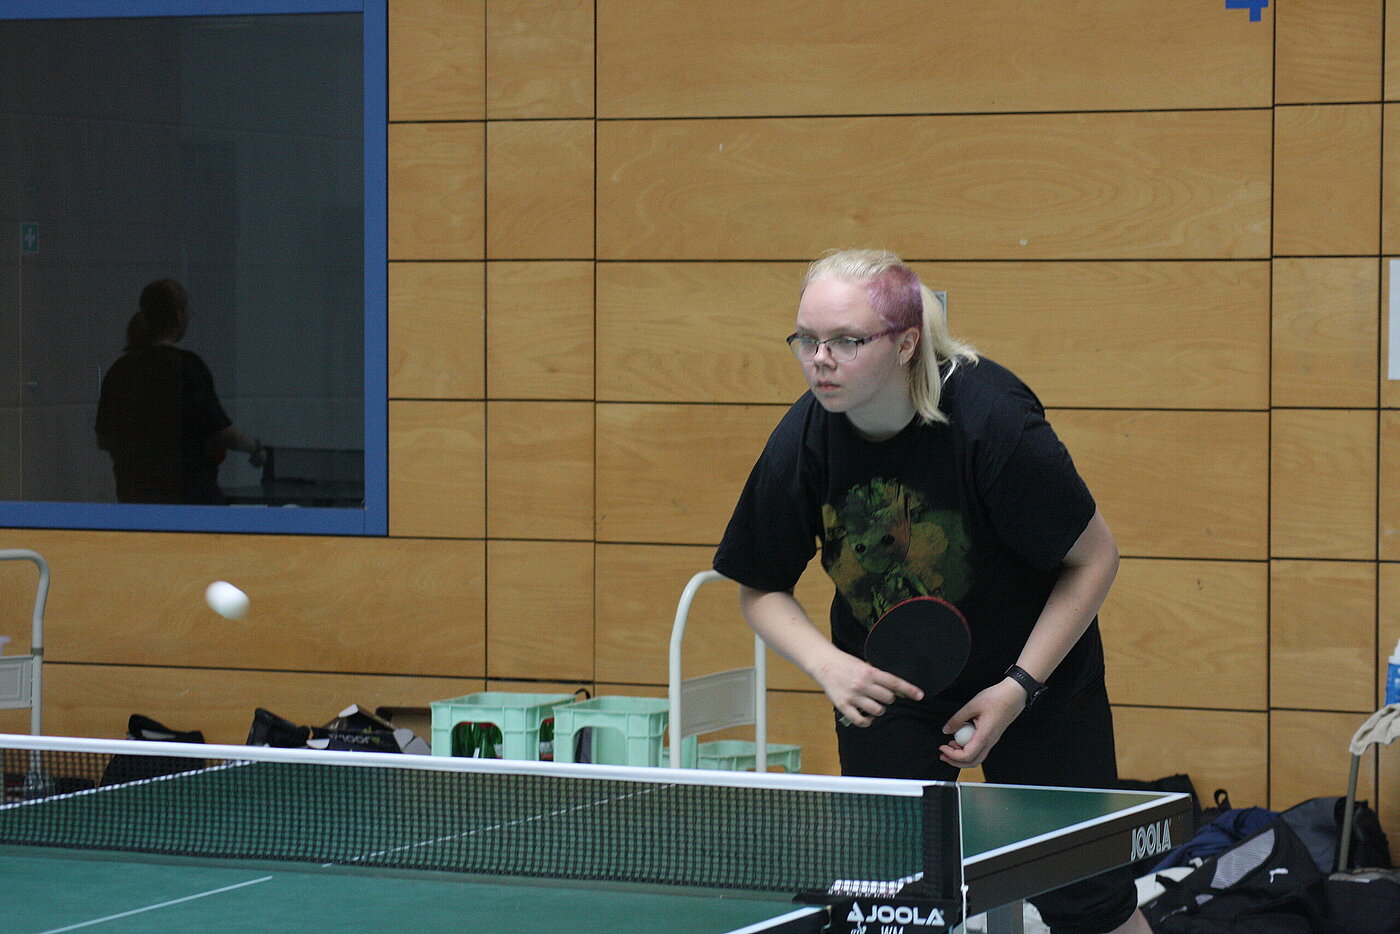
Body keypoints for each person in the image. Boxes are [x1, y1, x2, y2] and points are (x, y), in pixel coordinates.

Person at [713, 249, 1148, 934]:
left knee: (1089, 905)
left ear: (906, 342)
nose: (820, 360)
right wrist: (831, 667)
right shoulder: (804, 440)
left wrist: (1018, 687)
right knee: (890, 905)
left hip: (1034, 679)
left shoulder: (993, 424)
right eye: (807, 339)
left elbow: (1095, 559)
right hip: (892, 688)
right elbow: (759, 588)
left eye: (846, 341)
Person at [96, 279, 264, 504]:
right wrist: (255, 448)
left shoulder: (120, 370)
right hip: (190, 497)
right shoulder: (188, 367)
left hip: (136, 498)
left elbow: (104, 438)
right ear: (178, 316)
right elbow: (221, 431)